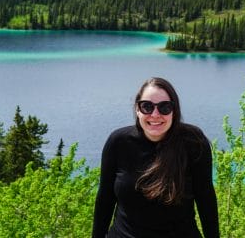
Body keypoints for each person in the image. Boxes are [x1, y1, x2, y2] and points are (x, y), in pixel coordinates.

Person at [92, 77, 219, 238]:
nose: (155, 114)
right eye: (147, 107)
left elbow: (205, 199)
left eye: (164, 107)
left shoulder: (193, 142)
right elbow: (105, 199)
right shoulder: (118, 142)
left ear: (174, 111)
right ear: (137, 110)